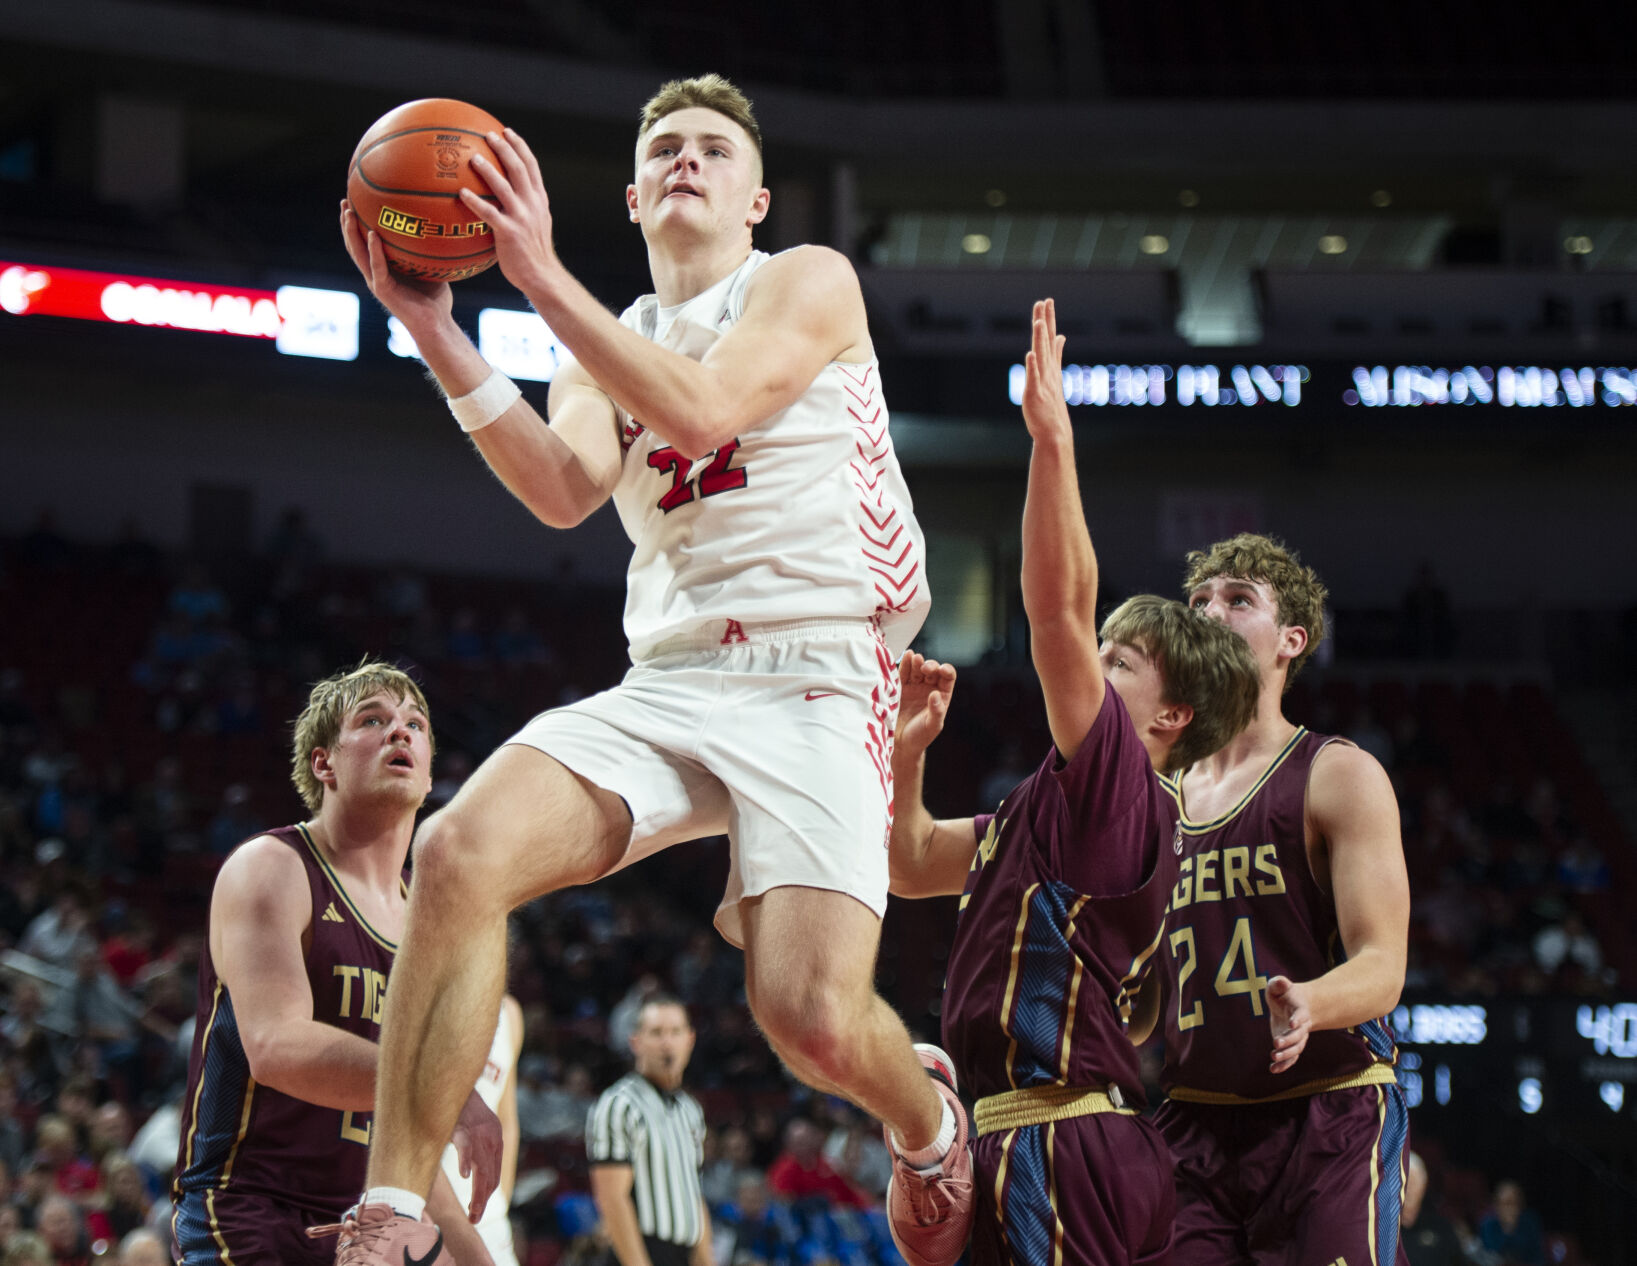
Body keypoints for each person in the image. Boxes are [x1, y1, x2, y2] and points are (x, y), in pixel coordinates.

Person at [335, 72, 969, 1266]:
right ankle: (396, 1211)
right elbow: (565, 492)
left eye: (713, 150)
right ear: (629, 197)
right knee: (457, 851)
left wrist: (536, 278)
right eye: (665, 147)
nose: (687, 160)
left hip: (821, 667)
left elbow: (709, 408)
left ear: (755, 196)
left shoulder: (803, 279)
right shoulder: (602, 344)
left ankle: (930, 1125)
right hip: (672, 673)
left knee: (807, 1018)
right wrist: (431, 325)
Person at [888, 301, 1261, 1265]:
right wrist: (906, 755)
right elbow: (911, 862)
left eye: (1120, 663)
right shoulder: (1049, 804)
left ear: (1169, 716)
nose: (1092, 669)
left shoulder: (1124, 790)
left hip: (1063, 1137)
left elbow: (1055, 608)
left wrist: (1052, 442)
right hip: (1040, 1134)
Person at [169, 661, 501, 1266]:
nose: (399, 732)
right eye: (373, 719)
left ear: (429, 777)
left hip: (368, 1222)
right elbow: (276, 1047)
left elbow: (410, 1138)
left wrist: (475, 1255)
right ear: (324, 764)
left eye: (415, 724)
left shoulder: (431, 928)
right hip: (250, 1207)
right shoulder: (271, 866)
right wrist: (445, 1091)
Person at [1149, 532, 1411, 1265]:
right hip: (1193, 1122)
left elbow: (1382, 964)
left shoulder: (1335, 774)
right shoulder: (1151, 794)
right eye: (1197, 601)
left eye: (1237, 600)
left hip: (1328, 1109)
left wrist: (1311, 1004)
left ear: (1290, 640)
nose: (1209, 612)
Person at [586, 996, 709, 1266]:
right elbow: (612, 1199)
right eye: (656, 1033)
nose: (667, 1042)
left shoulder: (690, 1110)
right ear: (635, 1042)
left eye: (675, 1032)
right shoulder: (619, 1104)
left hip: (683, 1253)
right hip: (640, 1253)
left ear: (690, 1040)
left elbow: (693, 1194)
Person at [440, 996, 525, 1266]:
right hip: (425, 1211)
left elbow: (507, 1121)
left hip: (487, 1222)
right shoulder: (425, 993)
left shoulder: (509, 1013)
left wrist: (502, 1202)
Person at [1477, 1180, 1544, 1266]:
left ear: (1521, 1205)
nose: (1509, 1208)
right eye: (1505, 1204)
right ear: (1496, 1206)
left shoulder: (1530, 1222)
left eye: (1513, 1203)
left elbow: (1537, 1257)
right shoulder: (1488, 1225)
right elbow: (1490, 1255)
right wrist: (1508, 1229)